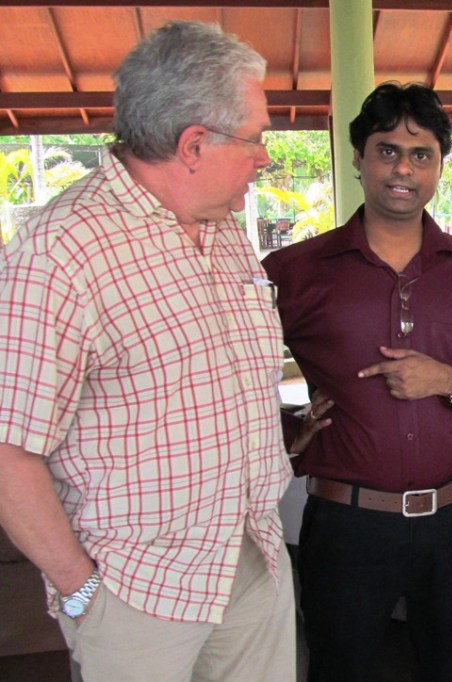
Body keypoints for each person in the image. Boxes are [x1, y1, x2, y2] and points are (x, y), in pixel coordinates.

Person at [0, 22, 296, 681]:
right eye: (255, 138)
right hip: (136, 588)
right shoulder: (61, 253)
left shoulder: (223, 230)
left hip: (253, 557)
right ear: (194, 143)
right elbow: (7, 450)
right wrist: (82, 590)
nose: (265, 157)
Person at [263, 82, 452, 681]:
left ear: (441, 165)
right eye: (387, 150)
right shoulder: (297, 272)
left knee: (451, 668)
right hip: (346, 526)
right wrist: (291, 428)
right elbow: (221, 377)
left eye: (422, 155)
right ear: (358, 158)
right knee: (340, 669)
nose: (403, 169)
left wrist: (451, 380)